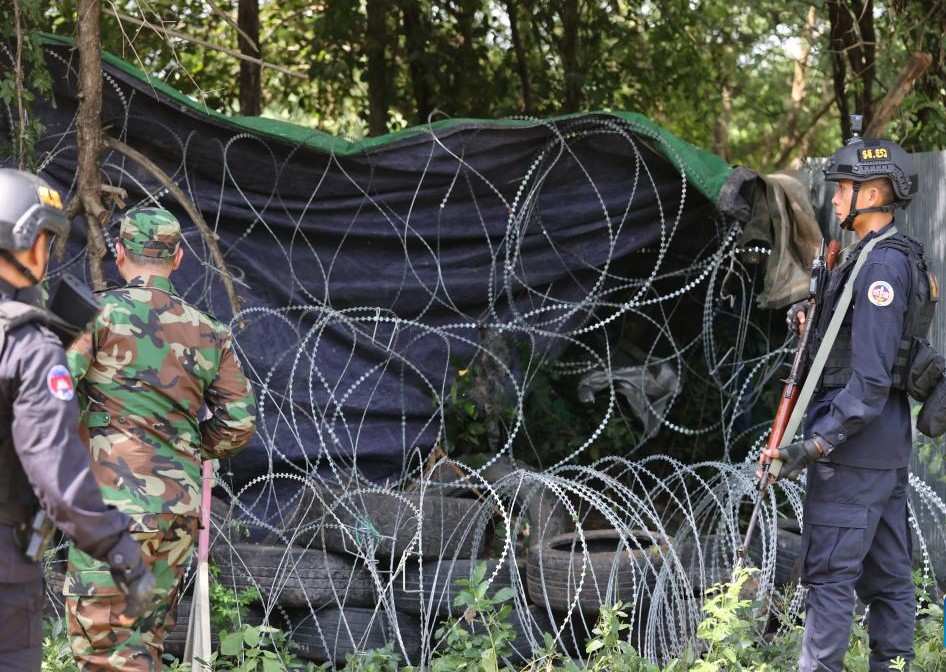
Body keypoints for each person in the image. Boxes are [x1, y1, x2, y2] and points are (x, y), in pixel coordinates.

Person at [760, 124, 929, 672]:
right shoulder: (867, 256)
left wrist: (815, 446)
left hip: (853, 450)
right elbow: (848, 345)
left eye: (842, 187)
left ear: (873, 194)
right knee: (889, 581)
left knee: (832, 580)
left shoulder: (881, 264)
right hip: (878, 448)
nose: (832, 197)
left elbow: (872, 379)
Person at [65, 206, 257, 670]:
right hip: (176, 511)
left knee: (104, 651)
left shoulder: (97, 314)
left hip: (112, 506)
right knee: (142, 644)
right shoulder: (209, 331)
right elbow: (239, 422)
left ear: (119, 253)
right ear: (178, 258)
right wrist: (185, 451)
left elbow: (49, 393)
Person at [0, 168, 155, 671]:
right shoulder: (26, 347)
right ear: (26, 242)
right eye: (45, 238)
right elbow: (56, 474)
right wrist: (118, 548)